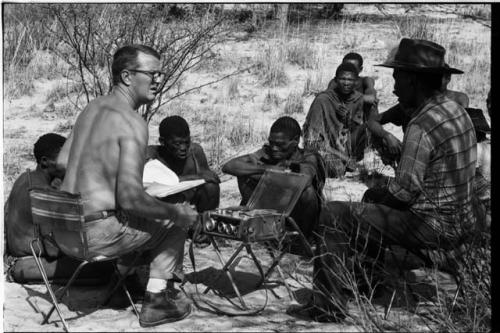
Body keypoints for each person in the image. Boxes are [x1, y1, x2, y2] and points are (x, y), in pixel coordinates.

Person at [288, 38, 477, 322]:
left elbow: (405, 192)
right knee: (372, 200)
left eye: (398, 78)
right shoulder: (455, 111)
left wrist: (382, 192)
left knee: (334, 213)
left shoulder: (422, 124)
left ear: (414, 81)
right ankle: (369, 280)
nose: (395, 87)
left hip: (433, 225)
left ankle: (329, 305)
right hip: (464, 219)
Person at [55, 45, 198, 327]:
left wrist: (100, 174)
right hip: (94, 235)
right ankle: (157, 300)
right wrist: (177, 212)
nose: (158, 80)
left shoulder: (92, 107)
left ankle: (123, 283)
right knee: (173, 219)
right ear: (127, 76)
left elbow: (62, 161)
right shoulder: (132, 122)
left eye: (161, 74)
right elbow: (131, 198)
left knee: (136, 215)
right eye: (152, 74)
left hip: (63, 230)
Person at [4, 134, 113, 284]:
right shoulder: (43, 193)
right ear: (45, 162)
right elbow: (53, 250)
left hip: (17, 258)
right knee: (107, 265)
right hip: (30, 264)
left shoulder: (26, 177)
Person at [222, 116, 325, 239]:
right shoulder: (267, 153)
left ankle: (303, 241)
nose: (274, 148)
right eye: (272, 143)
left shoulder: (308, 156)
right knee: (245, 172)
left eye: (281, 144)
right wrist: (267, 169)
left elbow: (305, 179)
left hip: (297, 217)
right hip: (266, 214)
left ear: (296, 141)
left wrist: (275, 175)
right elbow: (230, 166)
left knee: (307, 193)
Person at [303, 62, 380, 177]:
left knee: (373, 127)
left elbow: (353, 129)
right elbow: (313, 140)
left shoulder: (357, 98)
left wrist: (346, 118)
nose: (346, 83)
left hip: (346, 145)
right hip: (326, 148)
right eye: (342, 79)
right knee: (337, 169)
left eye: (350, 80)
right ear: (336, 80)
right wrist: (345, 158)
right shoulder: (323, 100)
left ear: (356, 82)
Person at [147, 115, 220, 213]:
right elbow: (148, 183)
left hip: (189, 203)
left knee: (211, 187)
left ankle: (206, 223)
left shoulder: (195, 152)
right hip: (162, 206)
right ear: (162, 142)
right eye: (177, 144)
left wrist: (203, 177)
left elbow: (208, 179)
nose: (183, 148)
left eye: (187, 142)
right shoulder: (152, 154)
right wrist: (194, 177)